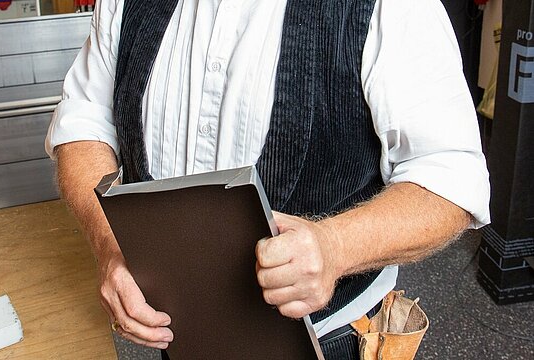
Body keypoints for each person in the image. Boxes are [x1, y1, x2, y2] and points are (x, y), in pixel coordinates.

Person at [45, 0, 491, 358]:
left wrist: (336, 247)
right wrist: (110, 246)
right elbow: (83, 124)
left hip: (330, 342)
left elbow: (450, 176)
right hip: (177, 337)